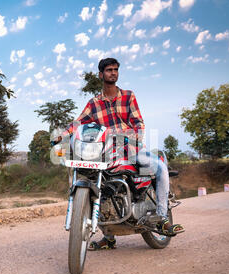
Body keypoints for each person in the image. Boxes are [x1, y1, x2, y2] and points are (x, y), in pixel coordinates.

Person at [53, 57, 184, 250]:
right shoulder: (94, 103)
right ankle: (109, 235)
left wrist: (133, 136)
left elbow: (138, 122)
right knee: (104, 185)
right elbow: (78, 123)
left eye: (115, 70)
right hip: (108, 152)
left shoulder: (128, 96)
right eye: (108, 70)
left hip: (132, 149)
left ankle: (162, 218)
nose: (113, 73)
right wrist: (61, 136)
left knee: (160, 167)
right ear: (101, 74)